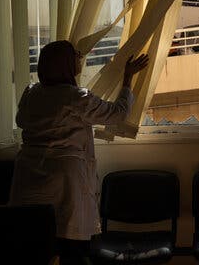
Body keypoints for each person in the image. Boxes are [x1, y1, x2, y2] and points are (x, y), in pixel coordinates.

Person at [9, 40, 149, 264]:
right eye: (75, 55)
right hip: (64, 179)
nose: (80, 58)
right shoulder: (76, 97)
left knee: (34, 245)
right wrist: (127, 80)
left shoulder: (31, 94)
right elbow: (116, 115)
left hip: (28, 176)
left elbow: (21, 120)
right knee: (70, 245)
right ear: (63, 63)